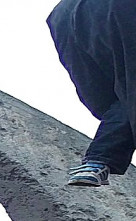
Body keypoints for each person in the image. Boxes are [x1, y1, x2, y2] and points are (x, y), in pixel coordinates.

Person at [48, 0, 136, 186]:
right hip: (120, 8)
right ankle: (99, 159)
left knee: (124, 96)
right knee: (128, 93)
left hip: (66, 15)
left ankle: (96, 162)